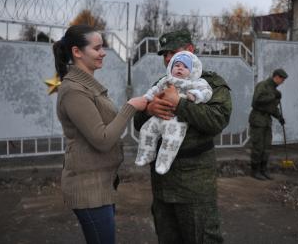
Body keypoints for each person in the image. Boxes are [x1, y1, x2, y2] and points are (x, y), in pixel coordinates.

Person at [134, 30, 232, 244]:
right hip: (162, 181)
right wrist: (149, 109)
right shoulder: (163, 82)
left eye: (173, 52)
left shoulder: (210, 84)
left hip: (194, 183)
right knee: (167, 237)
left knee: (202, 237)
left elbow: (217, 120)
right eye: (164, 54)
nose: (168, 58)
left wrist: (180, 103)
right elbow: (138, 123)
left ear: (190, 50)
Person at [53, 25, 147, 244]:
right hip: (88, 189)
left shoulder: (87, 86)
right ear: (77, 52)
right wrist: (130, 106)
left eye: (102, 47)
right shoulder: (74, 90)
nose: (103, 52)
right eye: (97, 48)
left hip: (101, 183)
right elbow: (102, 139)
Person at [135, 50, 213, 174]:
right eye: (177, 65)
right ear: (171, 67)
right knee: (146, 130)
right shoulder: (165, 80)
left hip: (177, 120)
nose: (180, 68)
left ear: (192, 71)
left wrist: (195, 95)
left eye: (185, 66)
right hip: (159, 116)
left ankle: (163, 163)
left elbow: (207, 92)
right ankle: (146, 155)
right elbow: (154, 90)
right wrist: (146, 100)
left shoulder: (196, 82)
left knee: (171, 140)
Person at [248, 68, 288, 181]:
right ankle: (255, 171)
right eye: (282, 79)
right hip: (258, 119)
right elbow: (256, 101)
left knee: (266, 147)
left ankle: (263, 170)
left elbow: (272, 108)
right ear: (276, 77)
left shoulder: (274, 90)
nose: (282, 82)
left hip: (267, 120)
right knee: (258, 147)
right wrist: (273, 96)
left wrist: (279, 117)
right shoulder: (263, 85)